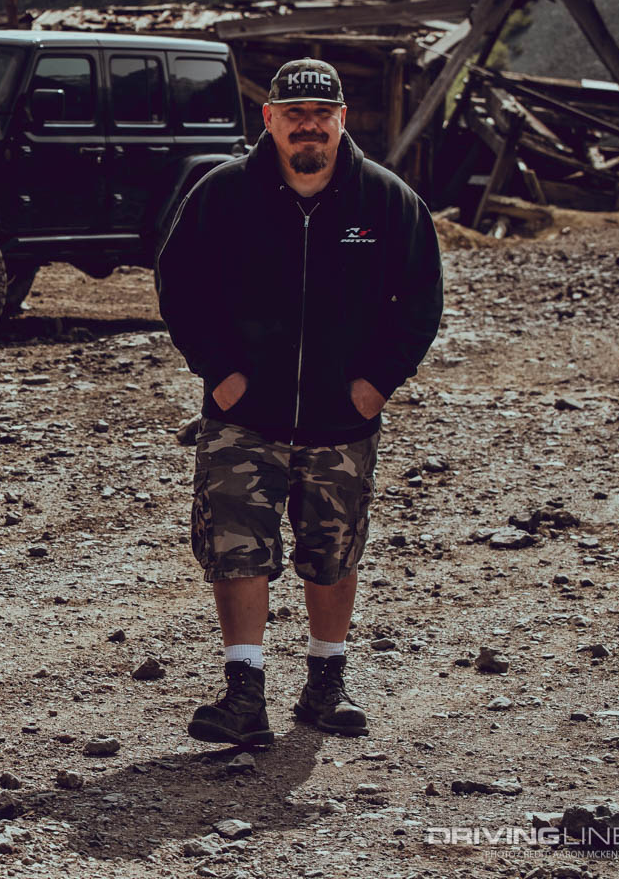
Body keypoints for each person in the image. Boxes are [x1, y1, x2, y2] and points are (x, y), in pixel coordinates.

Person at [155, 58, 442, 745]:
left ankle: (325, 683)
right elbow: (177, 281)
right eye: (294, 115)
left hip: (341, 420)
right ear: (270, 120)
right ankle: (244, 694)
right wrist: (217, 369)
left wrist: (378, 382)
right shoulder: (223, 194)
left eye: (321, 115)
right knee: (235, 548)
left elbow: (421, 301)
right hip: (243, 417)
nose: (308, 127)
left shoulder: (386, 201)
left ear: (342, 119)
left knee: (333, 551)